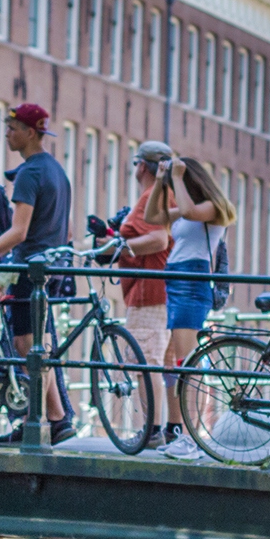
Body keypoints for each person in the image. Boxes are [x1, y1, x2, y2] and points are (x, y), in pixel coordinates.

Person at [0, 103, 75, 446]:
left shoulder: (30, 173)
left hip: (29, 267)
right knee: (37, 344)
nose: (6, 133)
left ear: (30, 132)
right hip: (51, 266)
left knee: (26, 346)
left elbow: (17, 231)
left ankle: (37, 422)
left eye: (12, 127)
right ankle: (56, 418)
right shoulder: (56, 171)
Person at [144, 155, 237, 460]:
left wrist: (179, 177)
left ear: (192, 180)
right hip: (176, 282)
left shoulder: (210, 209)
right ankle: (181, 432)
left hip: (192, 283)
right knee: (173, 362)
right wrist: (159, 181)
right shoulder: (188, 212)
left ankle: (192, 440)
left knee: (188, 365)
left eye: (177, 182)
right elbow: (152, 216)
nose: (173, 187)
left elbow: (187, 209)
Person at [106, 141, 173, 449]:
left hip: (149, 291)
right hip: (152, 290)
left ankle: (152, 431)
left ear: (142, 166)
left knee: (146, 362)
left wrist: (124, 246)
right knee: (156, 362)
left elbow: (159, 239)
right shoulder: (161, 196)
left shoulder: (151, 196)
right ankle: (162, 429)